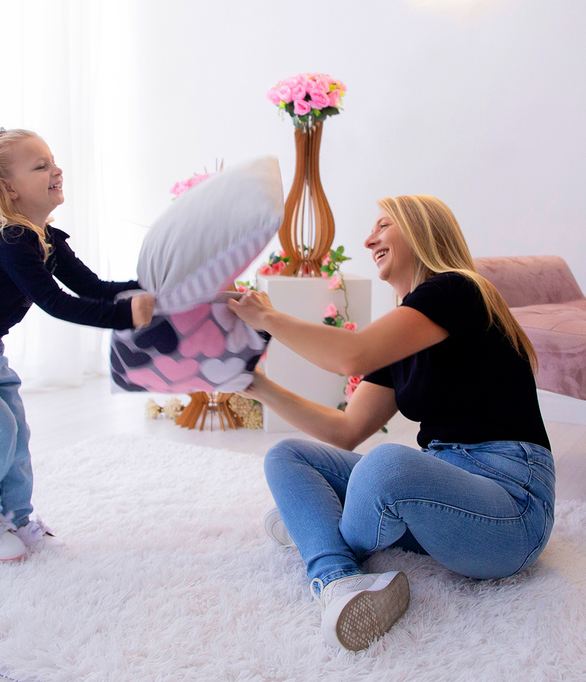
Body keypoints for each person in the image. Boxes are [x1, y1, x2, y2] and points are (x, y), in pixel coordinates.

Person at [228, 195, 554, 652]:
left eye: (384, 225)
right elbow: (347, 430)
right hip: (440, 498)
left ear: (421, 229)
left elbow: (349, 356)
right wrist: (257, 386)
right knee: (288, 455)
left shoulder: (459, 290)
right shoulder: (401, 333)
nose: (368, 239)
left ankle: (317, 531)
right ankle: (339, 582)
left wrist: (267, 316)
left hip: (511, 510)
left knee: (386, 466)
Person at [0, 128, 154, 562]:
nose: (56, 169)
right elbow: (57, 303)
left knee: (16, 433)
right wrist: (123, 317)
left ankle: (17, 518)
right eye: (40, 166)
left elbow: (92, 287)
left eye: (53, 160)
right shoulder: (12, 240)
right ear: (9, 188)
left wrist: (151, 288)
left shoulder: (45, 239)